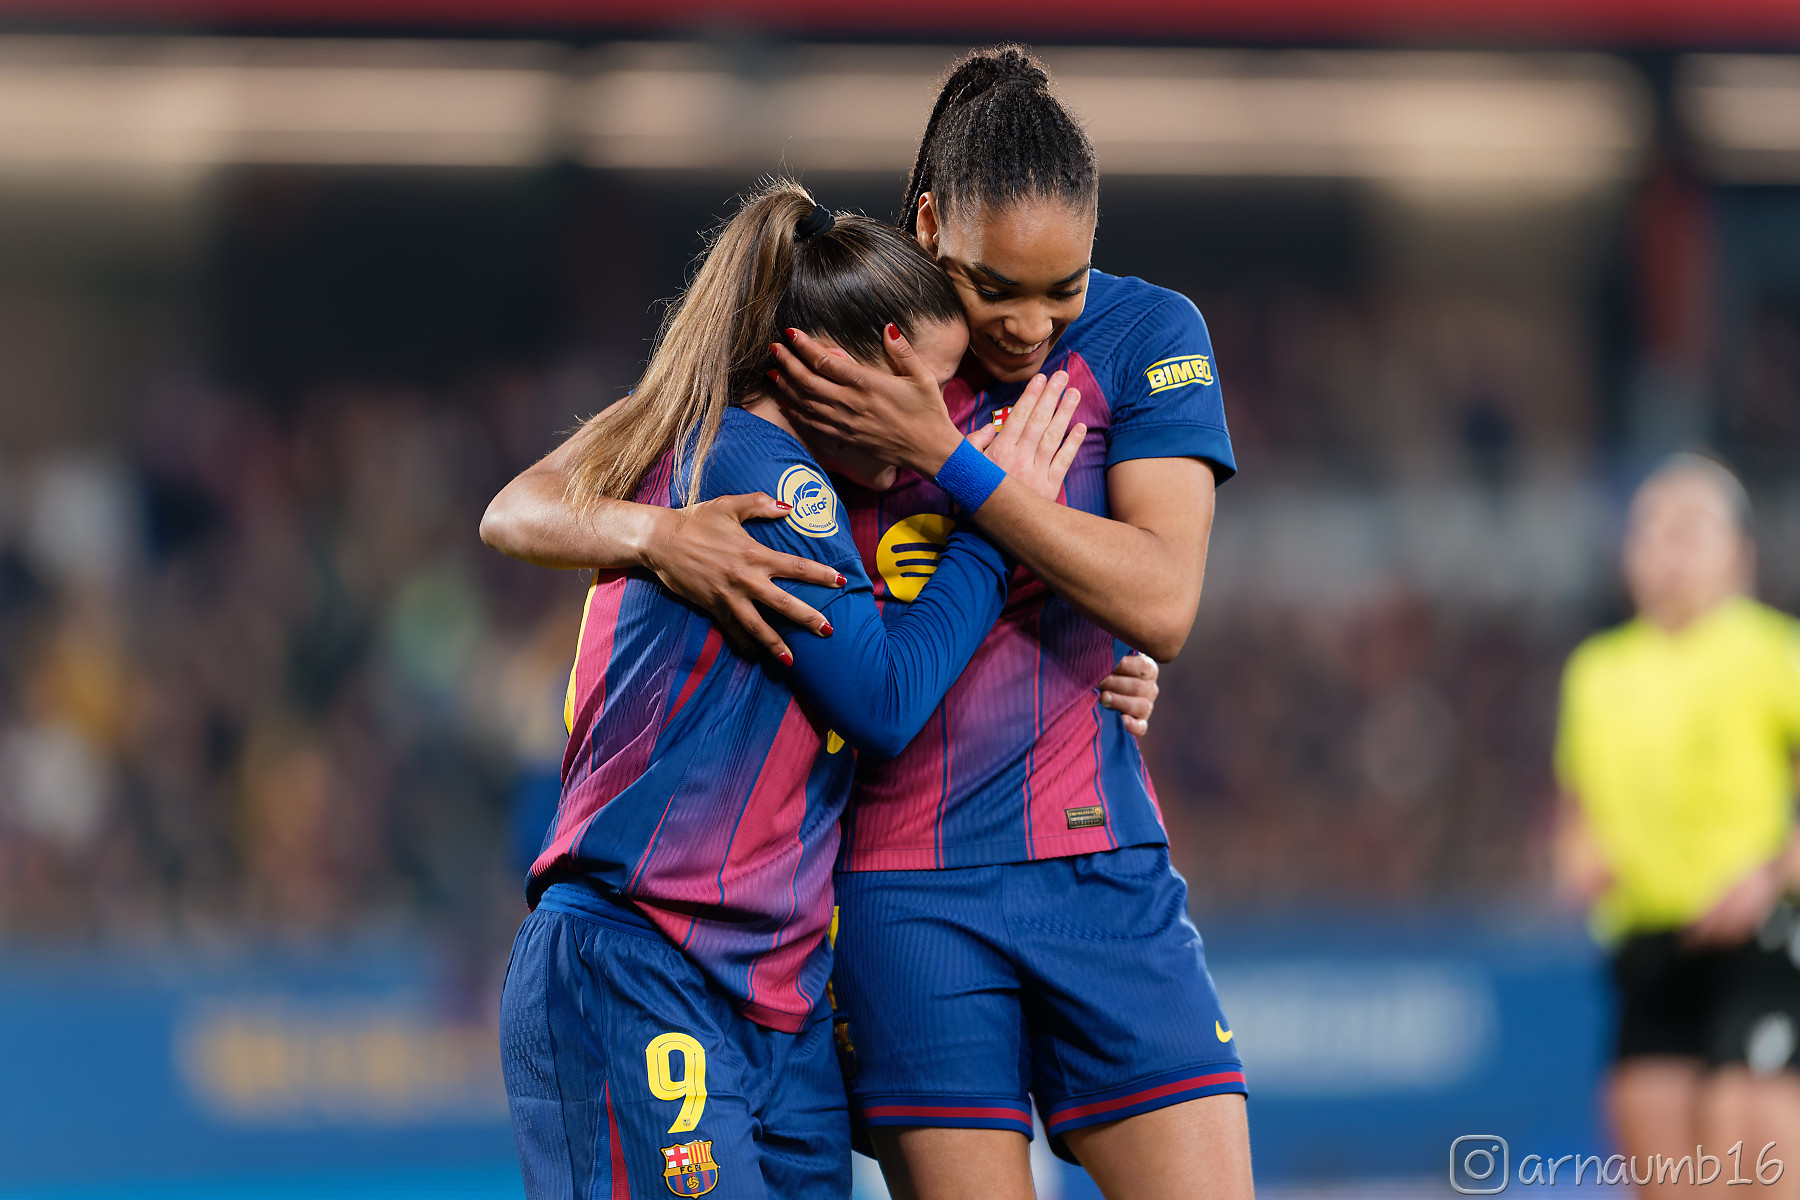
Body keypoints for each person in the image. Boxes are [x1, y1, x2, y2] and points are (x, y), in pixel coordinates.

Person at [484, 44, 1247, 1200]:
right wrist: (655, 535)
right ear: (935, 226)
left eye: (1064, 292)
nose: (1033, 328)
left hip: (1081, 869)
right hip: (882, 893)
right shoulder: (848, 361)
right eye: (999, 289)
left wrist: (963, 479)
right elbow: (528, 501)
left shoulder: (1143, 336)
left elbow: (1161, 602)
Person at [495, 180, 1087, 1200]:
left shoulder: (717, 441)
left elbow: (522, 506)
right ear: (841, 372)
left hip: (768, 994)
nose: (942, 420)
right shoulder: (769, 475)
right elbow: (884, 699)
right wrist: (997, 529)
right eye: (929, 385)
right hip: (647, 961)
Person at [1554, 454, 1800, 1199]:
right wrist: (1578, 856)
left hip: (1753, 950)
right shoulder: (1597, 673)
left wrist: (1770, 877)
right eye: (1653, 529)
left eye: (1692, 528)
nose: (1670, 547)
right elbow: (1577, 813)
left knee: (1747, 1161)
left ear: (1740, 556)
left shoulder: (1772, 652)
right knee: (1665, 1180)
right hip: (1648, 952)